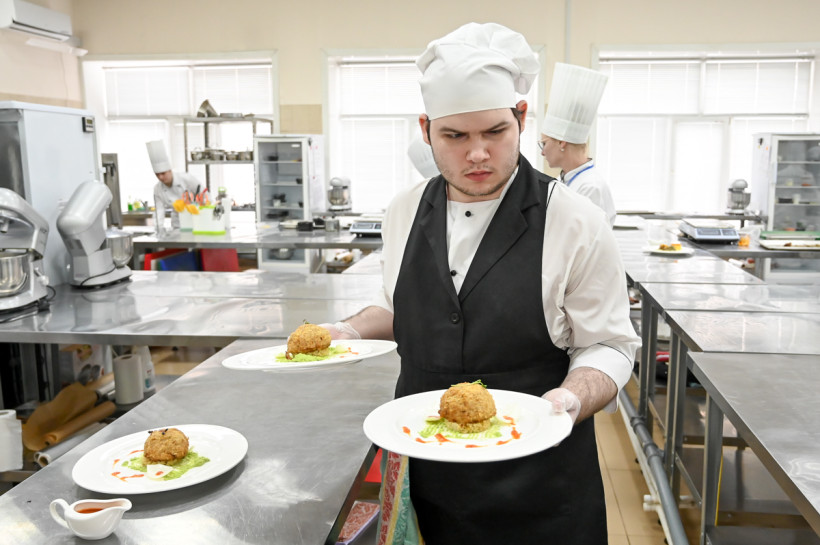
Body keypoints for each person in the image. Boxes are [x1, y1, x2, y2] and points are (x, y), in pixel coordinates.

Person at [323, 22, 639, 544]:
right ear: (426, 130)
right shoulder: (403, 211)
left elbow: (609, 344)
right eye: (455, 136)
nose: (477, 154)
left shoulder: (574, 220)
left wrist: (570, 399)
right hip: (428, 471)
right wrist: (346, 331)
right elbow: (400, 305)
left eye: (494, 132)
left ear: (521, 119)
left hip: (539, 482)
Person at [540, 63, 617, 226]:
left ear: (561, 142)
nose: (542, 152)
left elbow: (582, 237)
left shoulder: (591, 187)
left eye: (544, 144)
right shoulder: (564, 179)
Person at [145, 140, 201, 234]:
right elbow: (159, 211)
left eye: (163, 173)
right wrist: (158, 230)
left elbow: (205, 195)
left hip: (196, 223)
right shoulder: (157, 189)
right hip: (177, 226)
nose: (160, 177)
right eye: (157, 174)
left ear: (169, 170)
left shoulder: (187, 179)